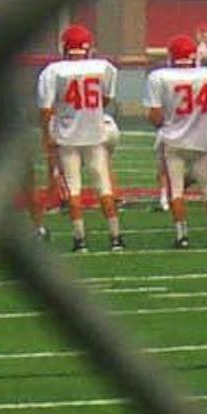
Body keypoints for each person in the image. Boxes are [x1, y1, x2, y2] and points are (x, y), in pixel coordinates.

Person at [37, 23, 123, 252]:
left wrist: (47, 135)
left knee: (74, 190)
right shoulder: (104, 67)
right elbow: (105, 100)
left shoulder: (53, 71)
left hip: (68, 138)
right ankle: (115, 238)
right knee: (104, 187)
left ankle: (80, 240)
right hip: (95, 135)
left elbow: (46, 110)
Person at [145, 35, 207, 248]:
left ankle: (182, 236)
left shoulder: (160, 76)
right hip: (201, 143)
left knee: (177, 191)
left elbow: (154, 116)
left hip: (173, 143)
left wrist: (167, 123)